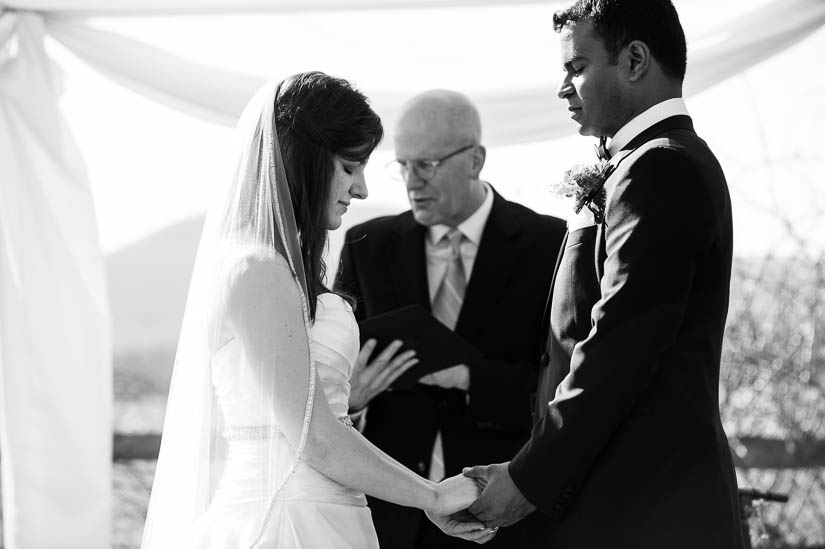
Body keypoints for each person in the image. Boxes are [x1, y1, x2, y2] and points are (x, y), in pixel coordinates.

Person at [140, 72, 489, 549]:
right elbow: (317, 437)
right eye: (349, 166)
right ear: (305, 160)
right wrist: (432, 496)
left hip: (328, 516)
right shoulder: (256, 270)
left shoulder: (277, 269)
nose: (362, 188)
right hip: (285, 524)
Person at [459, 1, 746, 547]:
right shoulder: (644, 164)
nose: (563, 88)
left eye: (576, 67)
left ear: (635, 60)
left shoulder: (659, 166)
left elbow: (620, 347)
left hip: (647, 512)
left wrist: (525, 481)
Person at [335, 89, 566, 548]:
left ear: (475, 160)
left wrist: (469, 377)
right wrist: (353, 400)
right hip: (391, 521)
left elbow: (564, 388)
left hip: (502, 518)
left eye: (427, 164)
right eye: (403, 165)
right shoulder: (366, 245)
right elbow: (331, 373)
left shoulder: (550, 245)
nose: (411, 181)